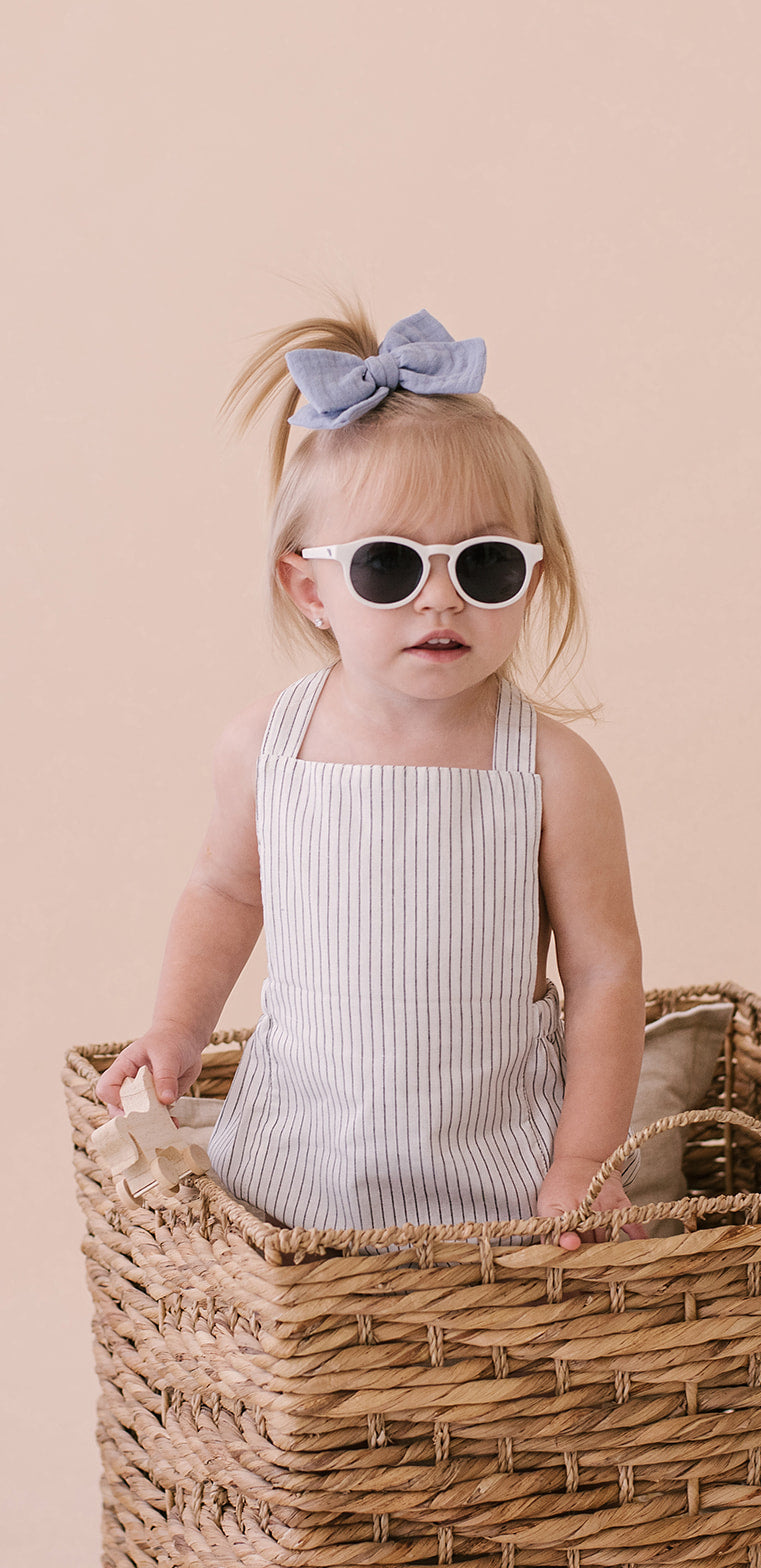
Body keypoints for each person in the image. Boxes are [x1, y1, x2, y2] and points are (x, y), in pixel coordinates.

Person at [97, 304, 646, 1249]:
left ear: (533, 578)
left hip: (497, 1165)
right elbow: (225, 892)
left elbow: (603, 973)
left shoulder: (554, 771)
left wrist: (582, 1160)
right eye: (388, 566)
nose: (439, 597)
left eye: (484, 565)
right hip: (296, 1152)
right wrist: (176, 1030)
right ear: (310, 589)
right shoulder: (265, 746)